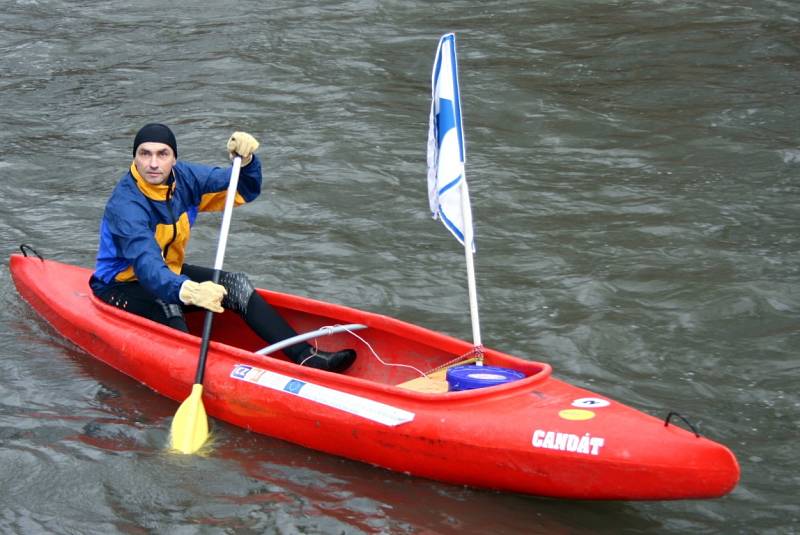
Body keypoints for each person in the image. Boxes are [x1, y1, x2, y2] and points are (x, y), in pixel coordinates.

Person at [89, 123, 356, 373]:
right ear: (134, 158)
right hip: (120, 284)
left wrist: (248, 162)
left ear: (174, 159)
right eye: (145, 154)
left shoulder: (187, 179)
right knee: (168, 303)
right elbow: (147, 266)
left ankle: (307, 356)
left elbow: (244, 187)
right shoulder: (126, 205)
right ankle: (191, 372)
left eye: (162, 154)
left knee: (236, 285)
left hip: (169, 273)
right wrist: (185, 289)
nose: (154, 163)